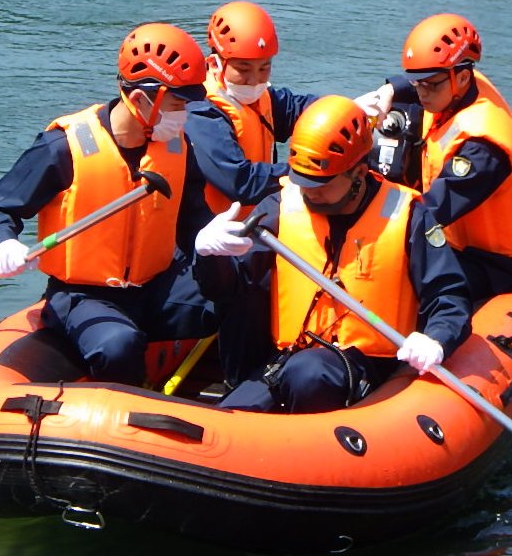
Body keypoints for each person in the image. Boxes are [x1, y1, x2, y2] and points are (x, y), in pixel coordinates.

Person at [193, 95, 473, 414]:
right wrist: (209, 257)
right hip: (288, 358)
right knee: (240, 407)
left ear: (358, 172)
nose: (310, 191)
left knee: (308, 373)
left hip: (367, 364)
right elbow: (227, 290)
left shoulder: (409, 216)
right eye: (303, 181)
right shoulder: (280, 208)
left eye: (322, 183)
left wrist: (436, 338)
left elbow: (448, 294)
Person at [0, 22, 217, 386]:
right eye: (178, 104)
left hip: (156, 287)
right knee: (119, 344)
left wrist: (217, 237)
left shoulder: (177, 148)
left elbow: (194, 218)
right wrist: (4, 242)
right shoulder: (63, 148)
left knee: (240, 296)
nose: (185, 114)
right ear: (140, 100)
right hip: (82, 294)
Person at [364, 13, 512, 302]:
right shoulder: (462, 85)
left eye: (431, 85)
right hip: (460, 244)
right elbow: (423, 81)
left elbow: (433, 209)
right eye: (417, 84)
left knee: (397, 278)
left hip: (498, 264)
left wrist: (368, 226)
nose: (422, 93)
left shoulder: (481, 149)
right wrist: (390, 89)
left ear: (462, 77)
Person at [184, 1, 317, 218]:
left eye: (264, 68)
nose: (254, 80)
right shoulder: (201, 112)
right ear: (215, 63)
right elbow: (241, 181)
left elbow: (298, 108)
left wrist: (348, 110)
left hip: (252, 228)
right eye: (243, 69)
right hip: (211, 238)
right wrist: (311, 173)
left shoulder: (261, 97)